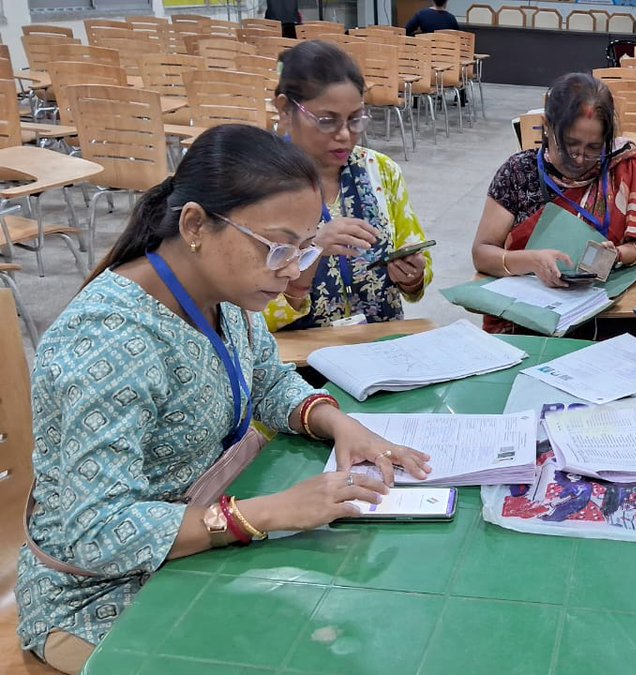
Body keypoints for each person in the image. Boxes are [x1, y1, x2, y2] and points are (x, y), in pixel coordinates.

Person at [15, 125, 435, 675]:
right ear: (195, 225)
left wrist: (337, 423)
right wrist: (266, 513)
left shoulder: (224, 292)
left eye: (305, 247)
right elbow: (97, 532)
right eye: (278, 247)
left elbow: (267, 381)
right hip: (98, 595)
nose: (293, 270)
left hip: (193, 537)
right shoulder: (108, 341)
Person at [472, 72, 636, 334]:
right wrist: (530, 261)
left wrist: (618, 255)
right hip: (534, 317)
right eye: (570, 144)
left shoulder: (624, 168)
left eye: (594, 147)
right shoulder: (518, 172)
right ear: (547, 126)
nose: (580, 158)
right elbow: (482, 253)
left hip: (612, 314)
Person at [264, 40, 432, 331]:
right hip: (300, 353)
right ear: (285, 110)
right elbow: (244, 314)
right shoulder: (257, 185)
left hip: (379, 342)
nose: (344, 135)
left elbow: (418, 259)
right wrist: (312, 252)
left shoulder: (381, 171)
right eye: (327, 121)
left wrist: (412, 276)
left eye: (355, 120)